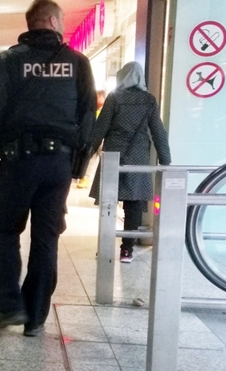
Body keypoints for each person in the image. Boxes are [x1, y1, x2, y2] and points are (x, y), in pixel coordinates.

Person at [0, 0, 96, 337]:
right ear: (54, 21)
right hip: (58, 164)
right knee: (46, 238)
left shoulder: (8, 61)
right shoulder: (77, 62)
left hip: (17, 161)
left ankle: (11, 305)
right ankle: (36, 317)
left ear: (30, 25)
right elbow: (88, 116)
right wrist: (78, 163)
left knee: (5, 231)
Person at [89, 62, 171, 263]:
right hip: (138, 157)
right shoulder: (148, 101)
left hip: (114, 156)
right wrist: (166, 160)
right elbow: (158, 132)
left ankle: (105, 248)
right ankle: (127, 250)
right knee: (134, 205)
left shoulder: (115, 98)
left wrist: (88, 151)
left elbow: (101, 128)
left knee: (109, 203)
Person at [77, 89, 107, 189]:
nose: (96, 99)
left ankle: (103, 182)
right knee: (91, 158)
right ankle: (85, 178)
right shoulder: (94, 109)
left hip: (102, 139)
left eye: (98, 97)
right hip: (95, 138)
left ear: (102, 97)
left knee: (103, 158)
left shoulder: (106, 109)